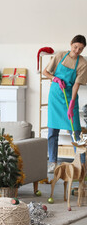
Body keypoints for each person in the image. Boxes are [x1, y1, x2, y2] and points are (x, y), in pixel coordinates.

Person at [42, 35, 87, 173]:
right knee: (52, 132)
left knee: (75, 132)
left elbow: (76, 86)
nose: (77, 50)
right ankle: (52, 162)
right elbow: (46, 72)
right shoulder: (60, 55)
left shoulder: (83, 63)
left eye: (80, 49)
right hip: (55, 96)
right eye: (75, 47)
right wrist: (55, 78)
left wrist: (72, 104)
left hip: (69, 96)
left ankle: (82, 165)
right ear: (71, 44)